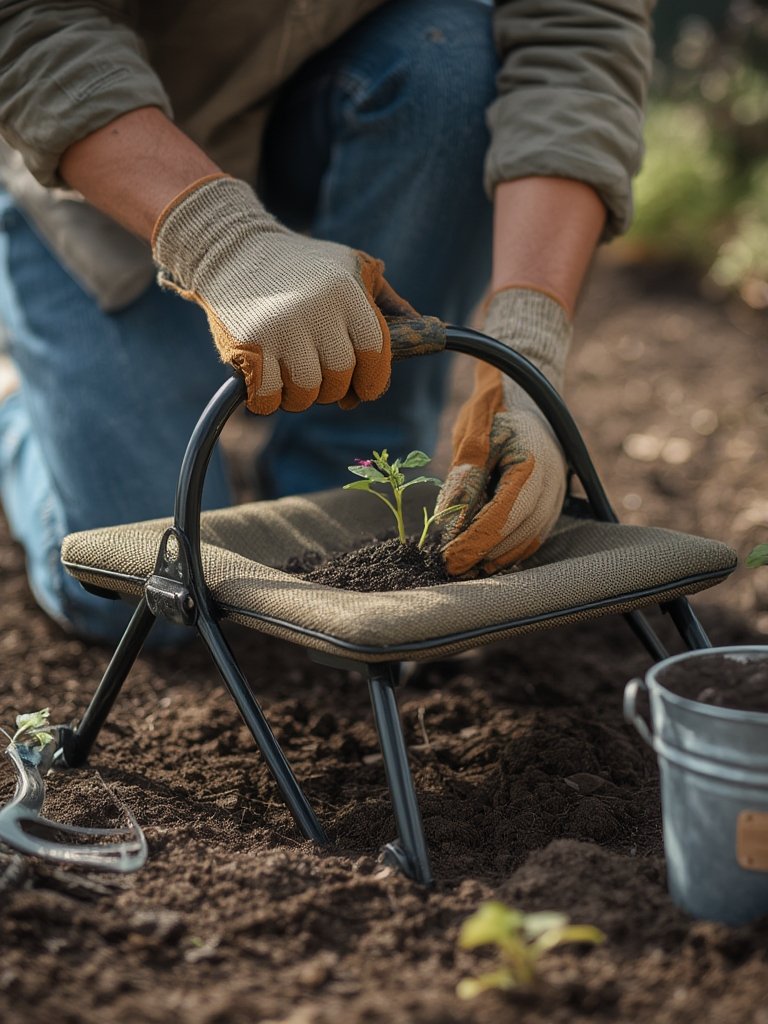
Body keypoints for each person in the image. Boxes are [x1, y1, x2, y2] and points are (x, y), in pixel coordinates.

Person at [0, 1, 653, 644]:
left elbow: (579, 34)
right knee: (138, 592)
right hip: (101, 150)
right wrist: (224, 242)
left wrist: (527, 345)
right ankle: (19, 413)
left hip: (341, 96)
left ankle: (342, 449)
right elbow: (27, 24)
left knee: (456, 61)